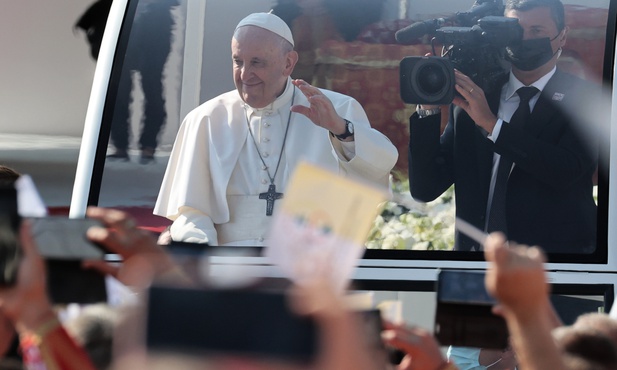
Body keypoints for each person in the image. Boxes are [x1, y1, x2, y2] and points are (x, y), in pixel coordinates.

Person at [154, 12, 398, 246]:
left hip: (309, 266)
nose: (245, 74)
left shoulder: (337, 109)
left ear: (288, 63)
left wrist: (339, 129)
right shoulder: (205, 119)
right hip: (227, 268)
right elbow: (191, 212)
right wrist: (203, 259)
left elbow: (377, 177)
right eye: (238, 61)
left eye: (257, 63)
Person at [408, 0, 598, 252]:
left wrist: (492, 125)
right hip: (474, 267)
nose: (524, 38)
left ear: (562, 36)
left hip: (551, 267)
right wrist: (429, 107)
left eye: (537, 31)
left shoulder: (586, 100)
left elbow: (566, 171)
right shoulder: (475, 99)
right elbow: (425, 188)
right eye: (516, 30)